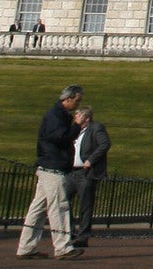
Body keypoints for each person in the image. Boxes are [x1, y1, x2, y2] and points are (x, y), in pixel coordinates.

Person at [17, 84, 84, 260]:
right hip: (53, 168)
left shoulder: (58, 114)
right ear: (68, 99)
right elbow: (60, 138)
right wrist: (77, 126)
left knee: (38, 209)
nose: (78, 104)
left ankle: (26, 247)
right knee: (59, 207)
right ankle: (63, 247)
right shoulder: (56, 115)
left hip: (48, 166)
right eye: (77, 100)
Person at [67, 104, 111, 248]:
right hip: (71, 171)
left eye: (78, 115)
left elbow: (105, 144)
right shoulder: (75, 130)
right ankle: (69, 230)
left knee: (85, 205)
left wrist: (91, 160)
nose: (75, 117)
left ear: (86, 117)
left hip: (86, 172)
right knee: (63, 200)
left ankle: (83, 236)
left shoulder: (95, 127)